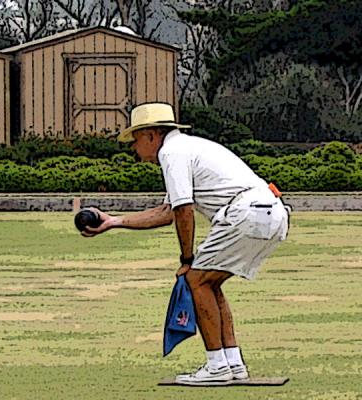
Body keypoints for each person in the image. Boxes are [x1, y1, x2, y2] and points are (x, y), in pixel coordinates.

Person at [82, 102, 289, 384]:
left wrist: (186, 259)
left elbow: (184, 210)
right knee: (208, 282)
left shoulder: (171, 153)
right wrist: (113, 222)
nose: (133, 147)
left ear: (152, 135)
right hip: (270, 212)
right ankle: (232, 363)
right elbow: (166, 213)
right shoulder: (186, 148)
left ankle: (216, 367)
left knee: (197, 279)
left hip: (246, 213)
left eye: (135, 139)